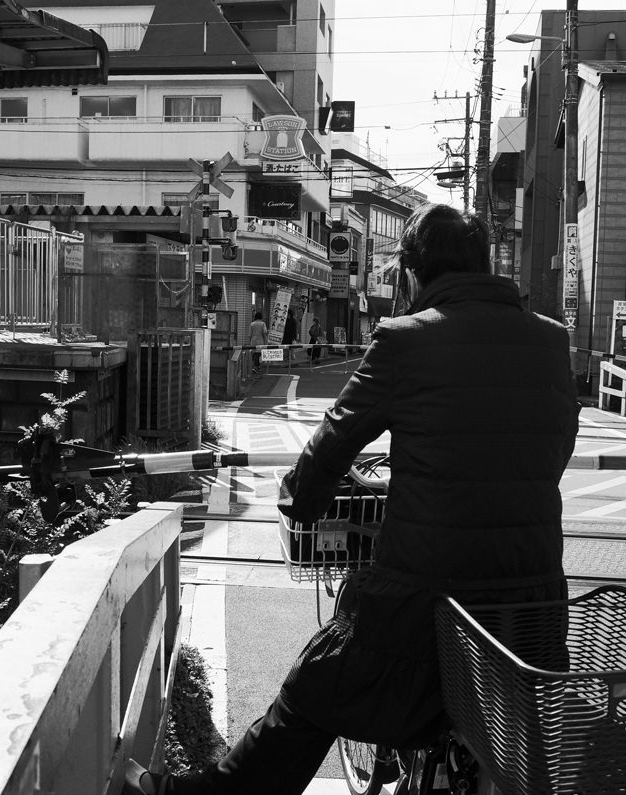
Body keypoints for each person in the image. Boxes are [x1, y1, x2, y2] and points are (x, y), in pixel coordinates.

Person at [125, 203, 581, 795]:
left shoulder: (407, 339)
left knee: (315, 688)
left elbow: (334, 441)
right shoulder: (552, 340)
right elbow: (552, 448)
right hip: (532, 612)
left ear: (414, 275)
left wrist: (302, 499)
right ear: (485, 263)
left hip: (428, 605)